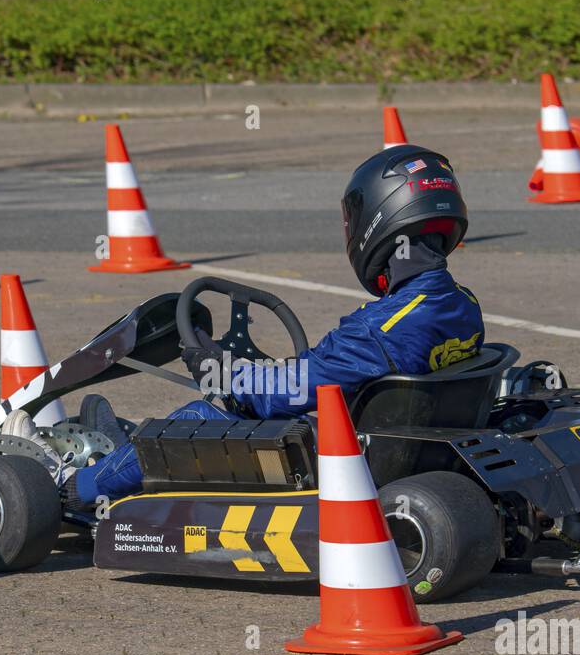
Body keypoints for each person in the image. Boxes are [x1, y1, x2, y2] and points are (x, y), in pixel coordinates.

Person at [60, 144, 486, 512]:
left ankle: (70, 489)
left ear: (380, 216)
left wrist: (222, 372)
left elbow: (283, 393)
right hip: (403, 450)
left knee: (198, 418)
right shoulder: (462, 306)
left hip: (342, 464)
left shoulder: (381, 327)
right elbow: (323, 373)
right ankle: (117, 453)